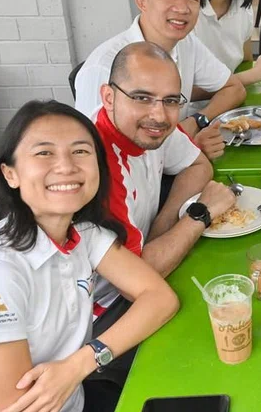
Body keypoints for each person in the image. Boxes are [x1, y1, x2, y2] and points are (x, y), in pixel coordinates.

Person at [0, 100, 180, 412]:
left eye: (80, 151)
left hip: (75, 407)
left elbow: (160, 298)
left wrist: (80, 363)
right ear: (10, 174)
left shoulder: (81, 232)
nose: (66, 166)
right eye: (44, 153)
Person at [92, 42, 235, 326]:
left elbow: (198, 165)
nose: (158, 115)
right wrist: (200, 213)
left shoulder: (150, 128)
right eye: (141, 98)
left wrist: (162, 224)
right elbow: (137, 281)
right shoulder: (96, 165)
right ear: (109, 97)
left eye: (170, 101)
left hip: (145, 275)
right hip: (104, 312)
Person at [74, 0, 246, 162]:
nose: (182, 8)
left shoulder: (186, 43)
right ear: (142, 1)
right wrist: (188, 147)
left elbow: (234, 88)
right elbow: (93, 159)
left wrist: (196, 121)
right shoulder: (104, 68)